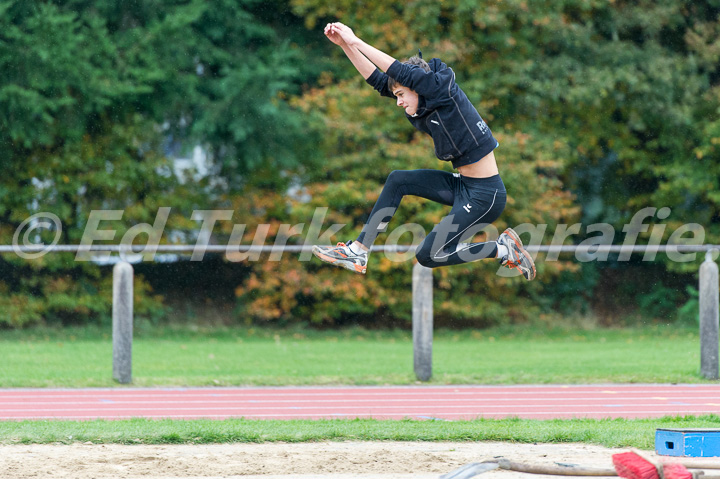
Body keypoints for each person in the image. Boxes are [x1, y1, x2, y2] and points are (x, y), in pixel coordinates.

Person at [312, 22, 535, 280]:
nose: (398, 101)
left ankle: (501, 250)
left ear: (417, 86)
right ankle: (359, 251)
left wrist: (355, 40)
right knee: (398, 180)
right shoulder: (423, 101)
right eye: (396, 95)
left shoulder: (441, 88)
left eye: (401, 94)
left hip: (486, 196)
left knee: (427, 255)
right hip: (463, 186)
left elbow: (403, 74)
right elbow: (378, 80)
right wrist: (345, 47)